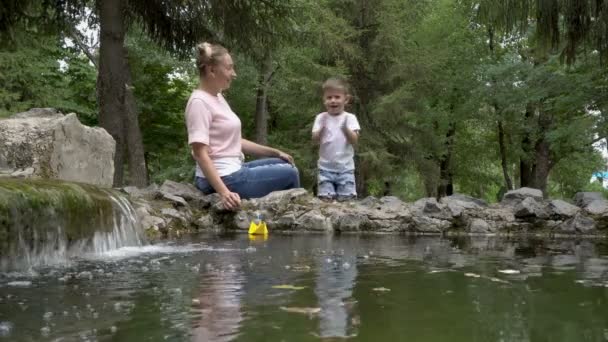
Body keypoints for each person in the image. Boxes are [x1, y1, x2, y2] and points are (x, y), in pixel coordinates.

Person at [186, 42, 300, 210]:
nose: (234, 73)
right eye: (229, 68)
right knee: (291, 173)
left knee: (283, 162)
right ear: (211, 70)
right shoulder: (199, 102)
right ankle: (291, 219)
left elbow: (235, 141)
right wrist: (224, 193)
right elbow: (199, 153)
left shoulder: (218, 98)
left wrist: (275, 151)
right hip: (222, 177)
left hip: (232, 170)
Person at [311, 77, 361, 201]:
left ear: (346, 99)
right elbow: (314, 139)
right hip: (325, 169)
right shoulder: (321, 118)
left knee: (347, 201)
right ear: (324, 100)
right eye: (329, 97)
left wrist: (345, 129)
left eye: (337, 97)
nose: (333, 101)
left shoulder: (350, 118)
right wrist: (321, 129)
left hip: (346, 169)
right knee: (326, 202)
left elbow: (354, 140)